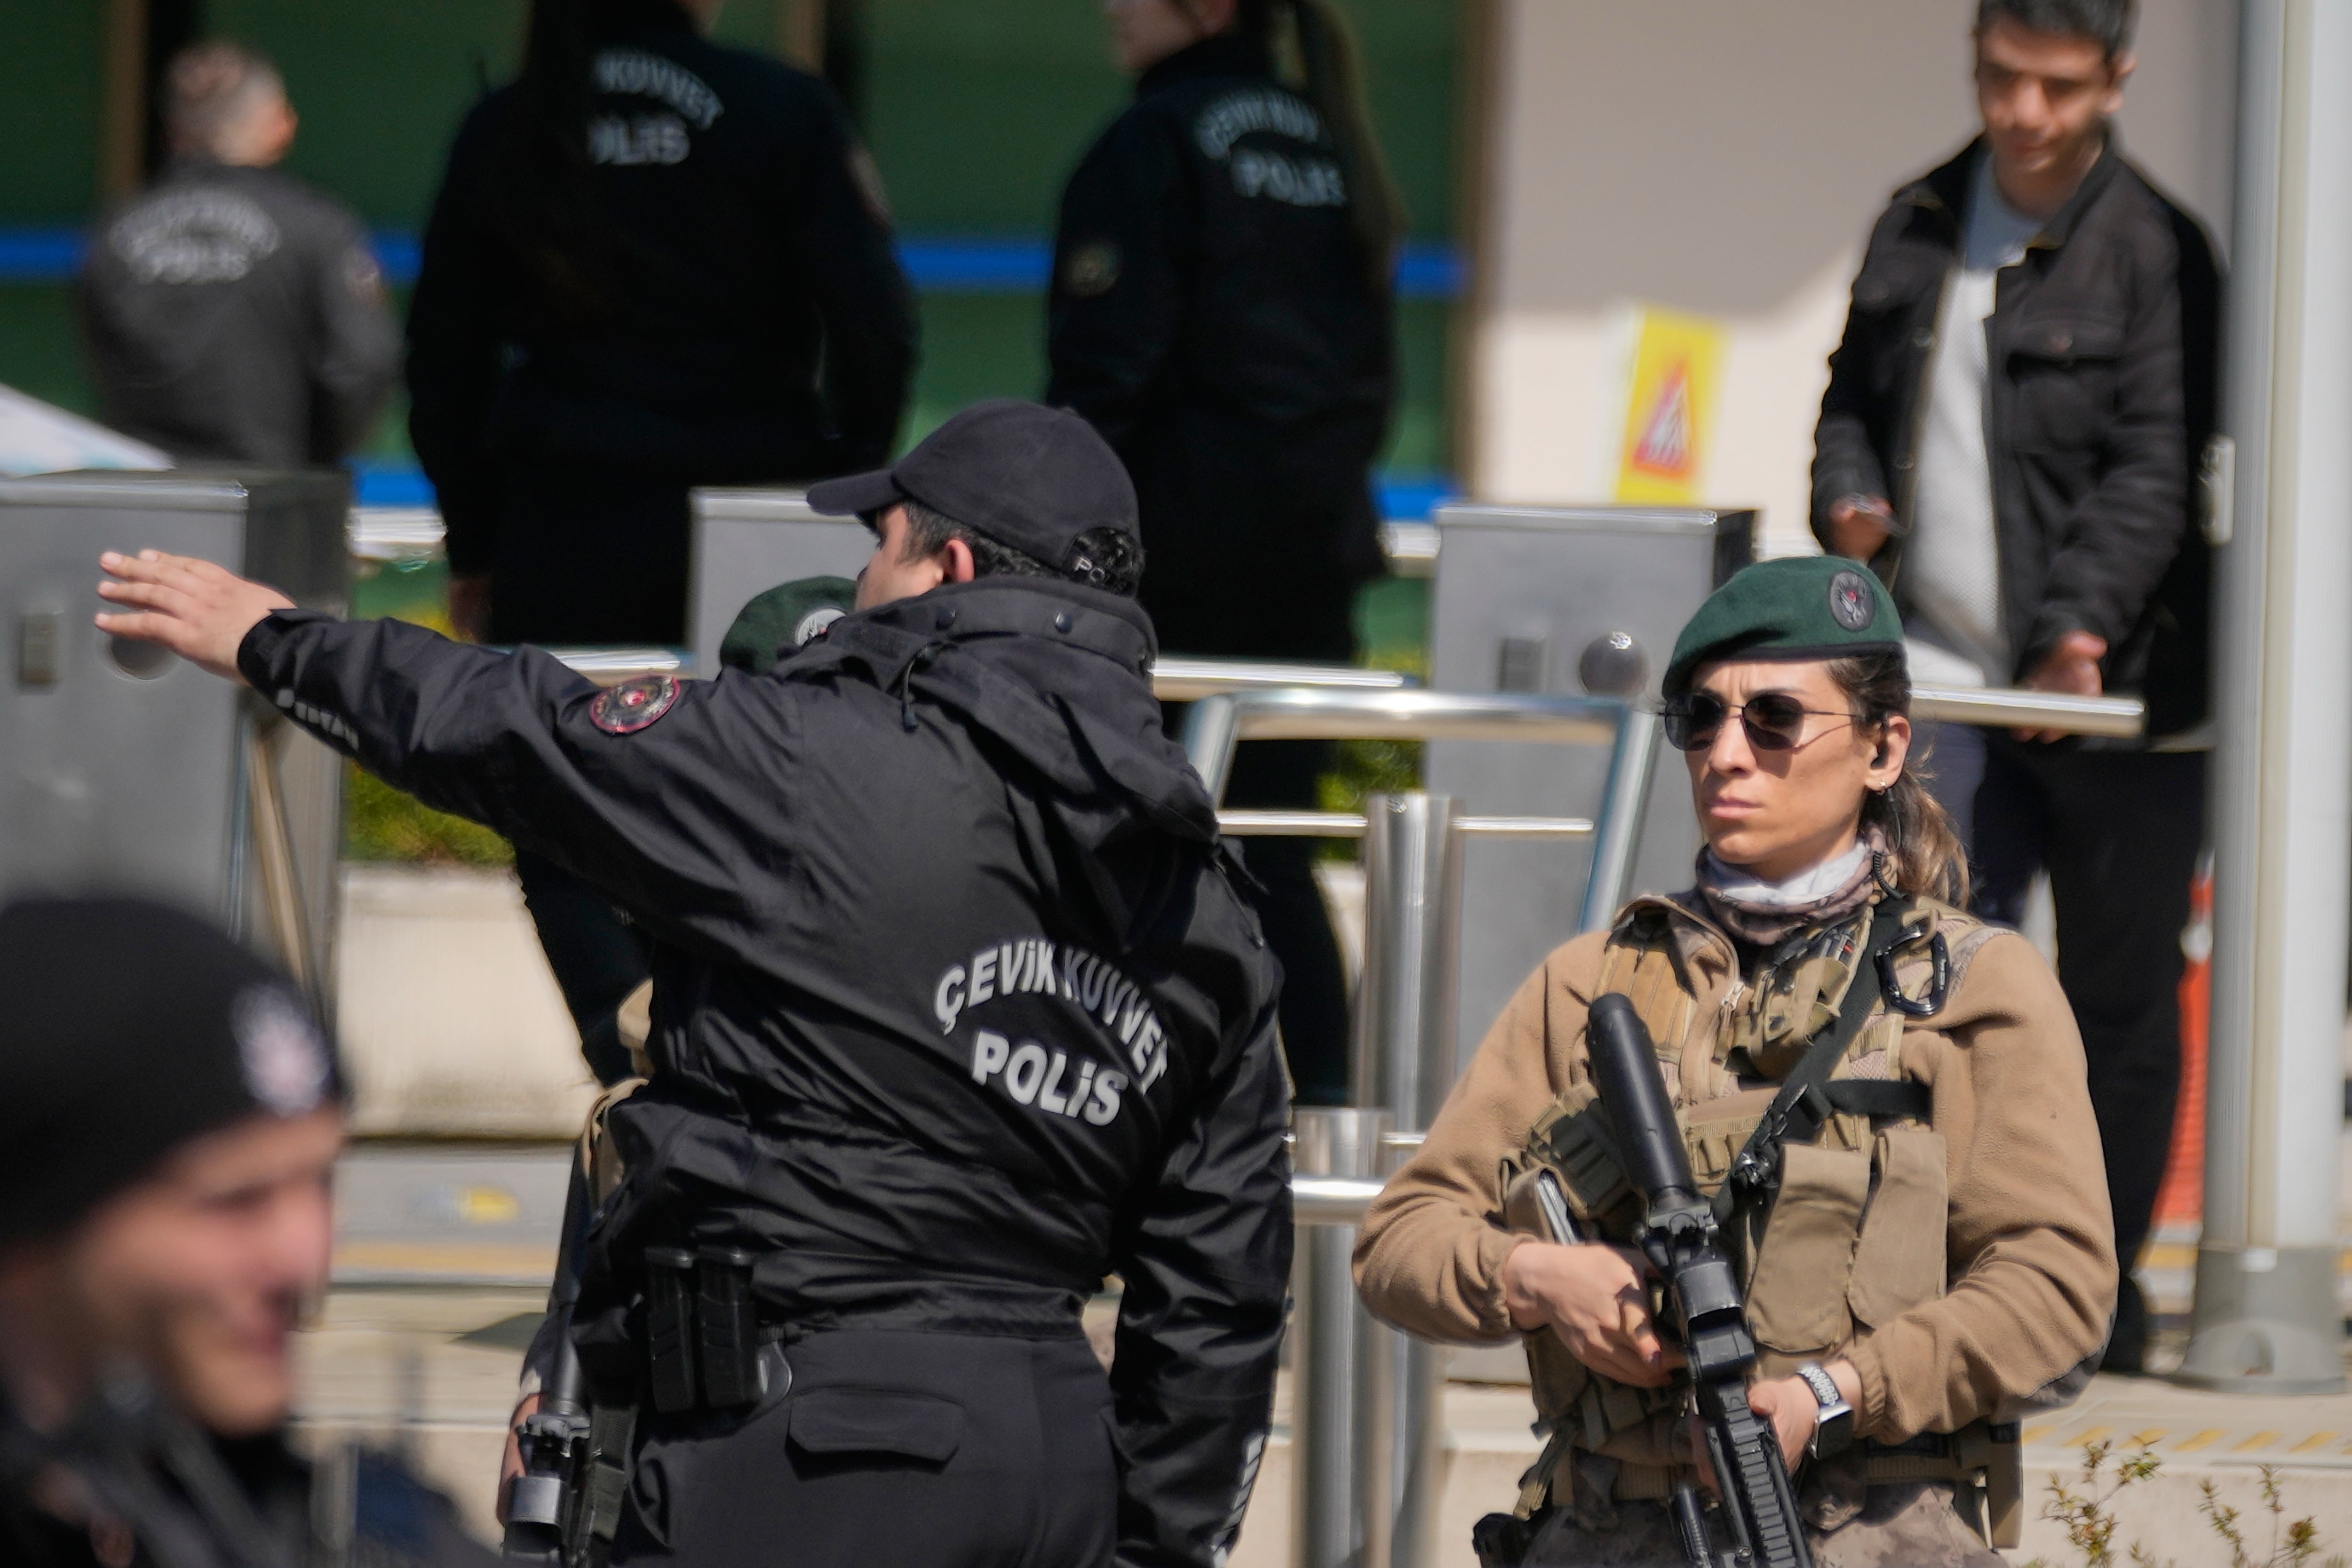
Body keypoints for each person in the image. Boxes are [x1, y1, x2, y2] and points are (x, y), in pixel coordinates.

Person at [95, 399, 1293, 1568]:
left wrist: (273, 638)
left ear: (950, 565)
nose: (865, 580)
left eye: (881, 544)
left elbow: (518, 727)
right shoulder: (1209, 901)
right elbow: (1222, 1292)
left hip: (811, 1454)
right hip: (1054, 1463)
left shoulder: (811, 759)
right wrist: (1155, 1541)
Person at [1355, 557, 2116, 1567]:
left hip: (1868, 1534)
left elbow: (2056, 1287)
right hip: (1606, 1532)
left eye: (1773, 720)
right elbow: (1398, 1242)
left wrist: (1835, 1394)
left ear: (1884, 746)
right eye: (1699, 719)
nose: (1726, 753)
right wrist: (1537, 1274)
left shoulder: (1973, 986)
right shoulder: (1594, 981)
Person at [1810, 0, 2218, 1374]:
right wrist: (1845, 497)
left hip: (2118, 698)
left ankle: (2090, 1283)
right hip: (1943, 679)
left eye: (2055, 88)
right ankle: (1949, 1272)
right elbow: (1851, 398)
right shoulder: (1915, 216)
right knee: (1929, 975)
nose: (2024, 115)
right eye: (1999, 81)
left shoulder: (2154, 249)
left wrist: (2073, 631)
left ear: (2116, 80)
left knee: (2110, 996)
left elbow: (2155, 464)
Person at [407, 0, 920, 1086]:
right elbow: (878, 327)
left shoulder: (515, 118)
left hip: (571, 512)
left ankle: (631, 1051)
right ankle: (740, 1067)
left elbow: (442, 357)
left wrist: (477, 536)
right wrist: (836, 487)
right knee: (756, 802)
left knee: (557, 788)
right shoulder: (781, 107)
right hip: (752, 518)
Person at [1046, 0, 1399, 1105]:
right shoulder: (1330, 143)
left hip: (1174, 581)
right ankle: (1331, 1128)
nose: (1113, 8)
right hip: (1308, 573)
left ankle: (1130, 1147)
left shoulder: (1153, 140)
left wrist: (1060, 556)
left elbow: (1103, 382)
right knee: (1270, 864)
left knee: (1123, 867)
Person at [0, 897, 492, 1568]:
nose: (305, 1256)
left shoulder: (359, 1538)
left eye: (320, 1183)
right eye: (233, 1201)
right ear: (34, 1234)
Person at [77, 40, 400, 469]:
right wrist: (321, 454)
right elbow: (365, 359)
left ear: (174, 130)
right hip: (273, 498)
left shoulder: (113, 231)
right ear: (276, 125)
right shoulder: (315, 227)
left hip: (145, 504)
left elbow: (99, 350)